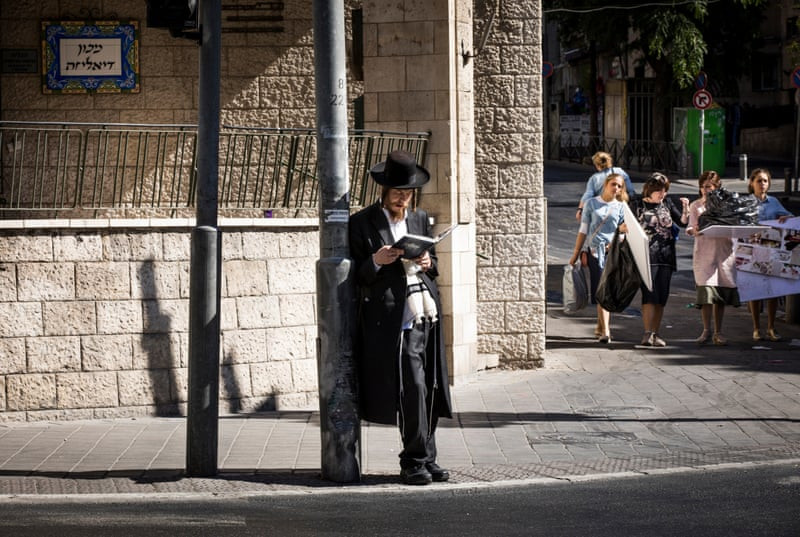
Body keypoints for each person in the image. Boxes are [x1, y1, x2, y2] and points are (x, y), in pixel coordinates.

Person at [348, 150, 452, 486]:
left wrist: (427, 264)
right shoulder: (362, 223)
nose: (402, 198)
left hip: (427, 313)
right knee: (412, 386)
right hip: (395, 319)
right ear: (384, 191)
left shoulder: (419, 219)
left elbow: (432, 262)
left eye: (407, 193)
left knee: (431, 388)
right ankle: (412, 461)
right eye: (397, 192)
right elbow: (356, 276)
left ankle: (428, 458)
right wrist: (377, 260)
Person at [628, 173, 690, 347]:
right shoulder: (636, 203)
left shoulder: (667, 203)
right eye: (659, 191)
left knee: (662, 296)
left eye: (664, 191)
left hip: (666, 255)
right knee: (650, 294)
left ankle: (655, 333)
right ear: (650, 189)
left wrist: (686, 208)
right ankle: (647, 333)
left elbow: (683, 223)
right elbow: (626, 224)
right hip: (646, 255)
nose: (662, 194)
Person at [568, 172, 628, 343]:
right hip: (595, 252)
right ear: (606, 184)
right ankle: (605, 330)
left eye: (619, 186)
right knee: (601, 291)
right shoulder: (591, 204)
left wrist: (616, 240)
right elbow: (583, 230)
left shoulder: (621, 207)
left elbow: (624, 231)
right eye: (613, 184)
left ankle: (602, 327)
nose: (616, 188)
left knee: (607, 290)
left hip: (613, 252)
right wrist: (575, 254)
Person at [686, 170, 740, 345]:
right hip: (704, 254)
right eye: (702, 187)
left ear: (717, 187)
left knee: (720, 295)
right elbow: (690, 226)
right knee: (706, 294)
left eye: (708, 187)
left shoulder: (727, 205)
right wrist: (693, 231)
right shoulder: (696, 206)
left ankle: (718, 332)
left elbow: (737, 224)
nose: (704, 190)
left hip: (723, 254)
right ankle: (706, 331)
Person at [746, 168, 794, 341]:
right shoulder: (746, 202)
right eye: (759, 180)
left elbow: (791, 218)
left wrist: (785, 218)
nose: (762, 184)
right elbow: (739, 223)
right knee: (755, 291)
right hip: (753, 251)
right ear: (752, 183)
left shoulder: (773, 202)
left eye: (765, 181)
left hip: (772, 251)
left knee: (773, 291)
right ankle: (756, 328)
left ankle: (771, 327)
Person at [576, 151, 635, 221]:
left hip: (602, 210)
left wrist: (580, 209)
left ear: (597, 165)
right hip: (620, 208)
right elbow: (630, 190)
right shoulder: (620, 171)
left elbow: (588, 195)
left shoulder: (594, 178)